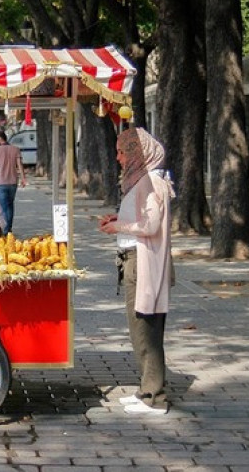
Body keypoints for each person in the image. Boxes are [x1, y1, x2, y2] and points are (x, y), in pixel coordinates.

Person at [99, 127, 175, 415]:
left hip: (143, 261)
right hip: (134, 258)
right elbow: (143, 217)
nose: (118, 157)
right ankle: (146, 389)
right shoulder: (141, 180)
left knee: (147, 327)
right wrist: (120, 218)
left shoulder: (152, 182)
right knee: (138, 326)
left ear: (138, 154)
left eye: (123, 151)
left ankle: (155, 396)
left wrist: (119, 227)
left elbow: (151, 226)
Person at [0, 131, 26, 235]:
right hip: (13, 181)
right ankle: (9, 229)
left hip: (1, 182)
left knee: (4, 207)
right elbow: (20, 165)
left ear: (0, 138)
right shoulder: (15, 149)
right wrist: (23, 179)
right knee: (10, 206)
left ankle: (6, 230)